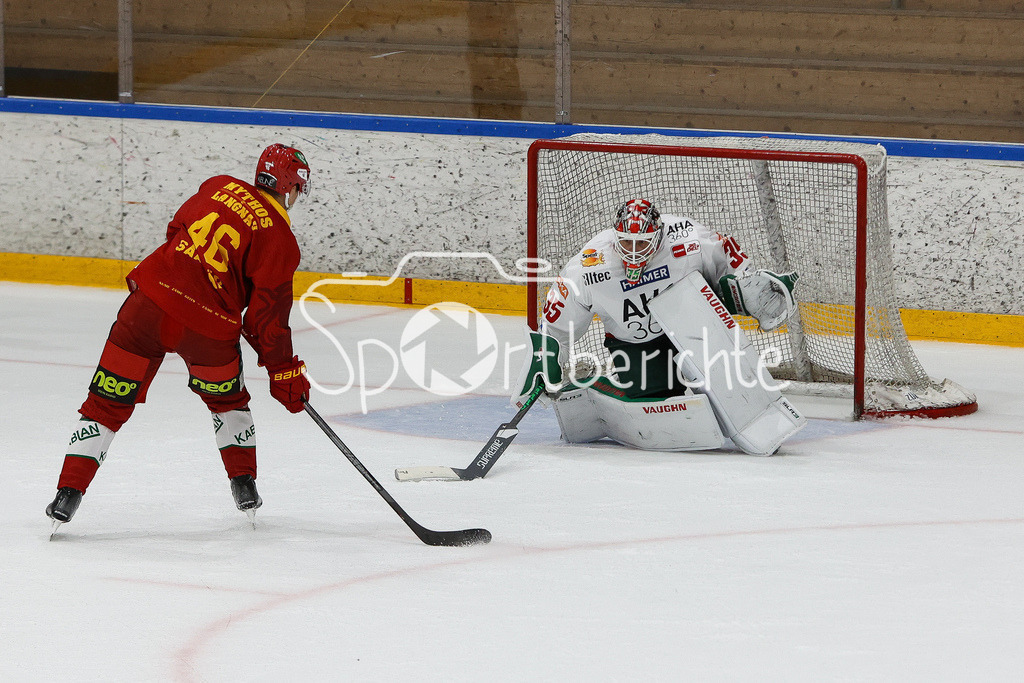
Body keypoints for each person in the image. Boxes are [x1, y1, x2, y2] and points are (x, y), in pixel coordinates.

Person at [46, 143, 313, 530]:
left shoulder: (219, 185)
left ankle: (68, 492)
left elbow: (175, 231)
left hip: (147, 308)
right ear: (289, 186)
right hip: (207, 330)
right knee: (228, 401)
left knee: (106, 402)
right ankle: (244, 483)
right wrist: (284, 372)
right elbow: (266, 320)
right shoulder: (280, 240)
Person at [512, 197, 805, 455]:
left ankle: (755, 415)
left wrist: (753, 290)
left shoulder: (690, 238)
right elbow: (555, 328)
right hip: (636, 342)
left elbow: (734, 272)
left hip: (694, 325)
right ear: (615, 238)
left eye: (642, 243)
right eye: (626, 243)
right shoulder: (585, 268)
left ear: (659, 235)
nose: (634, 251)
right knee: (657, 407)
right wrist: (545, 360)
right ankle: (590, 384)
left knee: (722, 375)